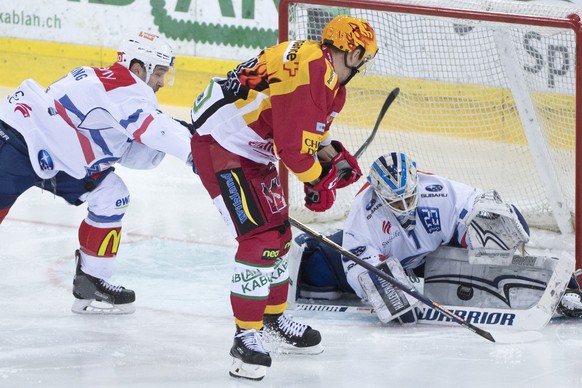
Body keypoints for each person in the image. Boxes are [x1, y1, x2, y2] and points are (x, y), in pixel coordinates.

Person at [190, 14, 378, 381]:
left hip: (251, 147)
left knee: (279, 236)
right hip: (222, 143)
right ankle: (246, 335)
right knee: (259, 238)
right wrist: (320, 182)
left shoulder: (322, 72)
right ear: (353, 53)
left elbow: (305, 136)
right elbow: (293, 153)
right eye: (364, 56)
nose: (365, 64)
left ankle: (273, 317)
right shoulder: (312, 71)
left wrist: (333, 158)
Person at [0, 31, 193, 315]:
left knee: (111, 193)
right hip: (18, 143)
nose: (162, 82)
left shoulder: (107, 82)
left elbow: (129, 147)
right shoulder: (127, 90)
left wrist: (179, 138)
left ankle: (91, 281)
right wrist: (196, 153)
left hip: (57, 157)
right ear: (138, 68)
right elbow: (152, 128)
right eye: (159, 73)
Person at [290, 152, 582, 324]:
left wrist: (497, 224)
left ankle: (561, 284)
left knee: (489, 247)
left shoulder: (439, 190)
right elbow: (356, 264)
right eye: (396, 202)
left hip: (432, 252)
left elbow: (479, 209)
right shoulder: (364, 213)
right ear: (379, 194)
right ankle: (311, 247)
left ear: (417, 182)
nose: (405, 207)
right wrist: (383, 287)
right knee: (317, 267)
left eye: (409, 197)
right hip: (394, 258)